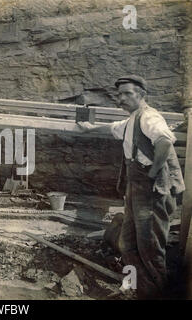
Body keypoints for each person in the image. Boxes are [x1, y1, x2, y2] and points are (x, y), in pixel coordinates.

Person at [77, 75, 185, 299]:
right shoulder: (132, 120)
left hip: (152, 193)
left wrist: (153, 173)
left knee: (150, 248)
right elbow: (112, 128)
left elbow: (165, 140)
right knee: (127, 243)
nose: (121, 98)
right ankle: (134, 287)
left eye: (127, 93)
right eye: (119, 95)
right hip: (136, 191)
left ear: (142, 95)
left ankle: (154, 294)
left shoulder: (149, 117)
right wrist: (89, 129)